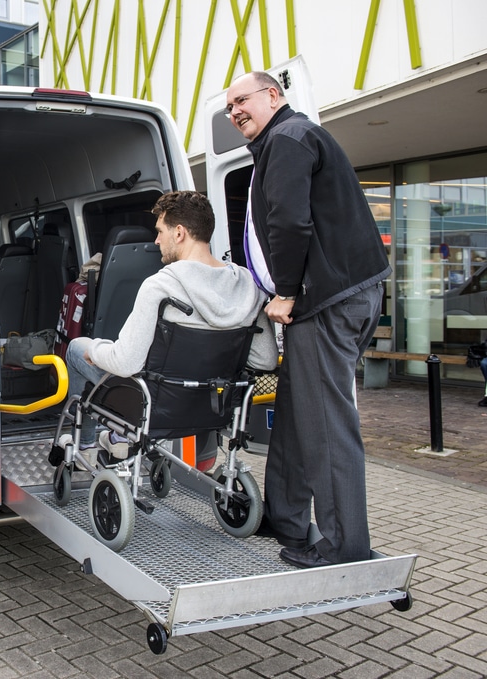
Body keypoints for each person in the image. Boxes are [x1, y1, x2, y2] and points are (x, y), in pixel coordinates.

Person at [226, 71, 391, 569]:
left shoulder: (290, 139)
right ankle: (285, 517)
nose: (234, 111)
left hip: (323, 302)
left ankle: (344, 546)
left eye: (242, 99)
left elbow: (290, 220)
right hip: (341, 297)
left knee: (325, 426)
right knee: (299, 415)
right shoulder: (287, 139)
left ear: (273, 95)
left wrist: (287, 291)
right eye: (228, 105)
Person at [64, 190, 278, 462]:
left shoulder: (160, 286)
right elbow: (266, 359)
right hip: (214, 405)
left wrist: (94, 351)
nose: (156, 241)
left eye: (159, 232)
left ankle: (84, 446)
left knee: (76, 348)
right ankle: (117, 439)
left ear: (179, 233)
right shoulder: (247, 285)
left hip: (156, 406)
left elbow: (126, 363)